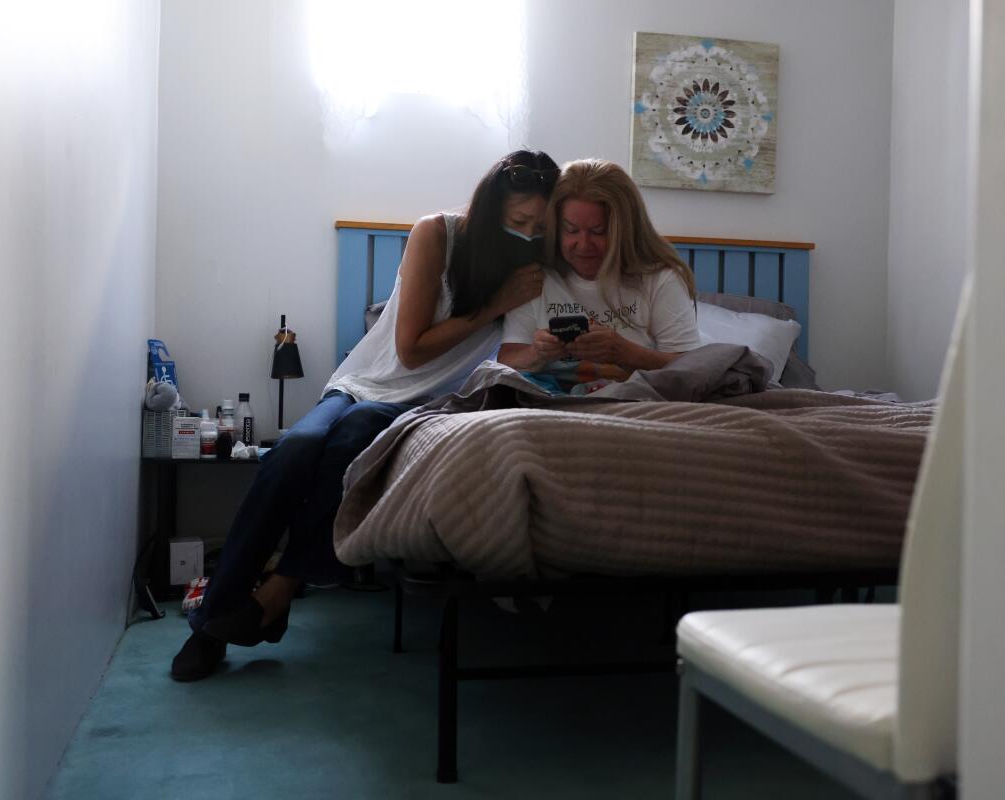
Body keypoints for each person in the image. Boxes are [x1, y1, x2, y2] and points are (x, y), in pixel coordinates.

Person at [172, 149, 560, 681]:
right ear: (491, 209)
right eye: (518, 222)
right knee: (295, 449)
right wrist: (493, 305)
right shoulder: (438, 235)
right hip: (365, 381)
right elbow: (411, 350)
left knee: (351, 439)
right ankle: (230, 612)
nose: (529, 233)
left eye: (540, 225)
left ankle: (261, 601)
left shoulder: (537, 270)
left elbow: (519, 347)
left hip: (428, 404)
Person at [498, 159, 698, 393]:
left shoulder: (659, 279)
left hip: (633, 404)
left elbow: (693, 369)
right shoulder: (534, 278)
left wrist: (623, 353)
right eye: (571, 230)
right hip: (548, 404)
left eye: (598, 232)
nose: (583, 245)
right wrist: (537, 353)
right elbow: (505, 362)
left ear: (624, 230)